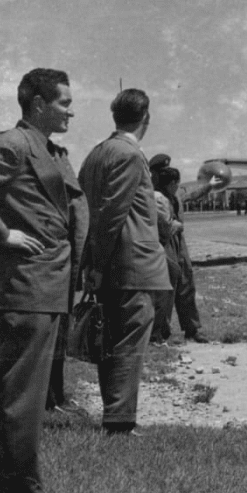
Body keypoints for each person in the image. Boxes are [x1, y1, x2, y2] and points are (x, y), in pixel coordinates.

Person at [0, 68, 87, 493]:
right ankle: (18, 487)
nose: (71, 111)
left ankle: (15, 480)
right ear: (38, 104)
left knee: (28, 396)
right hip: (27, 285)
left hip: (49, 283)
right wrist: (3, 234)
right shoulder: (14, 144)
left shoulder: (49, 149)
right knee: (23, 397)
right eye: (64, 103)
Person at [78, 89, 171, 435]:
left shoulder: (96, 154)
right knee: (129, 343)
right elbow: (112, 214)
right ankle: (120, 423)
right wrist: (99, 264)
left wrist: (93, 263)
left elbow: (88, 212)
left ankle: (115, 416)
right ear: (146, 118)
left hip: (110, 263)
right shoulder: (130, 155)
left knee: (112, 342)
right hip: (132, 265)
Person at [149, 157, 208, 345]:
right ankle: (160, 332)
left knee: (187, 283)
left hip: (179, 244)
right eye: (162, 171)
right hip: (164, 244)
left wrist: (210, 186)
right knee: (167, 289)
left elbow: (192, 194)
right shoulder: (153, 196)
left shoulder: (175, 194)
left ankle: (192, 329)